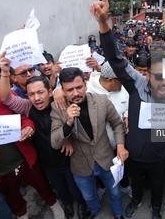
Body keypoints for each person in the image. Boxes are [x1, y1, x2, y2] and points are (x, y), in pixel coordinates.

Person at [90, 0, 165, 219]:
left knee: (157, 185)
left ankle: (156, 207)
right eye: (158, 76)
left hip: (158, 157)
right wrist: (104, 23)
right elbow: (116, 59)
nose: (163, 82)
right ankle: (136, 199)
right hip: (133, 154)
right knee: (137, 183)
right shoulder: (136, 83)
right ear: (148, 76)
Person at [0, 52, 63, 219]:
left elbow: (23, 115)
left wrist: (28, 127)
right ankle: (21, 213)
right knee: (12, 197)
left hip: (26, 159)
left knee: (43, 186)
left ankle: (53, 203)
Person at [0, 52, 86, 219]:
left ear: (50, 92)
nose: (37, 98)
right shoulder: (26, 107)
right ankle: (67, 204)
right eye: (31, 94)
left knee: (75, 187)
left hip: (69, 160)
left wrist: (68, 139)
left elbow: (78, 124)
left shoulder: (61, 103)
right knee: (60, 188)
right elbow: (5, 98)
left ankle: (81, 203)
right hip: (47, 163)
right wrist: (4, 72)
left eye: (40, 92)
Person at [50, 67, 129, 219]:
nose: (75, 93)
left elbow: (117, 124)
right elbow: (55, 142)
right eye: (69, 89)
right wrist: (68, 122)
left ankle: (118, 214)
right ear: (63, 90)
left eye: (79, 87)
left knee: (115, 193)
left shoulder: (101, 100)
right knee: (89, 197)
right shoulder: (57, 108)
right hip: (80, 164)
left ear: (86, 84)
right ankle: (94, 211)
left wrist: (120, 145)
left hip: (106, 158)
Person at [86, 62, 132, 198]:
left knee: (122, 165)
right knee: (101, 168)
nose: (122, 85)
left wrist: (127, 115)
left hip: (120, 141)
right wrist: (56, 91)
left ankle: (124, 185)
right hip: (99, 145)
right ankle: (102, 186)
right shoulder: (88, 90)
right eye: (120, 82)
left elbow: (130, 105)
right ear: (110, 80)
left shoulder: (123, 90)